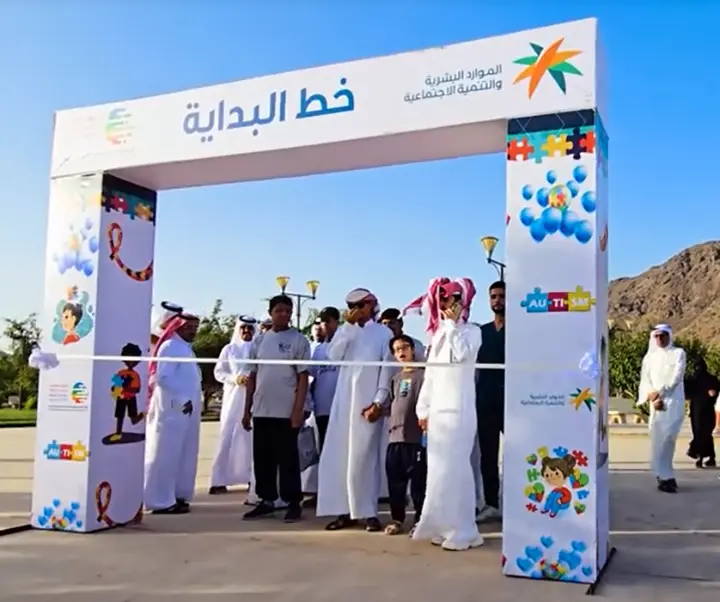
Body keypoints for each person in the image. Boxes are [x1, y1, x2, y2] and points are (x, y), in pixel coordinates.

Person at [406, 277, 484, 551]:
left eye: (451, 299)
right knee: (438, 470)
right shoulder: (437, 334)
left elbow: (462, 355)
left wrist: (451, 326)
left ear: (462, 302)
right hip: (438, 412)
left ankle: (464, 530)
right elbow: (431, 374)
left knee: (457, 468)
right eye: (443, 300)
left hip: (459, 411)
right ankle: (442, 525)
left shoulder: (473, 332)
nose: (446, 305)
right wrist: (423, 407)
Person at [317, 288, 394, 532]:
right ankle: (343, 511)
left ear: (372, 305)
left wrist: (379, 402)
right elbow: (333, 356)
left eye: (362, 305)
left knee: (365, 459)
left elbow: (387, 370)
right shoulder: (345, 331)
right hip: (343, 404)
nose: (358, 310)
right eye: (353, 306)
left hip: (367, 405)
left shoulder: (383, 333)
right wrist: (348, 328)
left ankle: (368, 512)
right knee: (340, 457)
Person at [242, 295, 310, 522]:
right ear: (270, 312)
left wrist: (298, 410)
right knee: (263, 458)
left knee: (288, 459)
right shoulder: (260, 341)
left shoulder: (299, 340)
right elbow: (252, 376)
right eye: (279, 310)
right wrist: (246, 409)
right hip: (262, 410)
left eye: (288, 311)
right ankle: (267, 500)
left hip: (286, 411)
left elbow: (303, 378)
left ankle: (293, 502)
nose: (284, 314)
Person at [365, 334, 426, 536]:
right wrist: (374, 411)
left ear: (413, 349)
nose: (401, 352)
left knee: (418, 484)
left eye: (405, 347)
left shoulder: (425, 376)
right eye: (397, 349)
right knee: (395, 484)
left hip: (416, 439)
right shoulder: (395, 379)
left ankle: (420, 520)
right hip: (395, 439)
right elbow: (392, 407)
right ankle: (397, 519)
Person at [144, 310, 202, 514]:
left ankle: (175, 495)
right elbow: (163, 378)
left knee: (182, 455)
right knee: (165, 455)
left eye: (195, 327)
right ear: (176, 326)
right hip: (171, 410)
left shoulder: (185, 348)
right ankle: (159, 501)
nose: (192, 331)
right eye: (188, 327)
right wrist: (182, 400)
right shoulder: (169, 346)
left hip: (186, 411)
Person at [209, 316, 257, 494]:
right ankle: (218, 480)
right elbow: (219, 372)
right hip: (232, 398)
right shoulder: (229, 349)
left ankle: (251, 478)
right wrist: (235, 379)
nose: (246, 331)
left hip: (253, 399)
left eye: (250, 328)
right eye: (243, 328)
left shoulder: (258, 349)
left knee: (250, 439)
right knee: (226, 436)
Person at [637, 324, 687, 493]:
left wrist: (660, 394)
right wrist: (652, 396)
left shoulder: (678, 353)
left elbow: (677, 377)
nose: (659, 338)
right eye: (656, 336)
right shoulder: (649, 358)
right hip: (656, 405)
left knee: (668, 439)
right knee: (658, 441)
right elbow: (645, 380)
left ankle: (666, 474)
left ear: (669, 336)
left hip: (673, 403)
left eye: (663, 335)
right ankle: (664, 476)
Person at [475, 281, 506, 522]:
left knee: (516, 454)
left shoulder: (520, 331)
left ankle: (517, 502)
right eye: (493, 296)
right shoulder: (481, 332)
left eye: (501, 296)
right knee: (488, 456)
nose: (497, 300)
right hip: (485, 400)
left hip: (512, 402)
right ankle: (491, 503)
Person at [309, 306, 341, 451]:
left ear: (336, 322)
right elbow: (312, 378)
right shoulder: (318, 349)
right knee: (323, 445)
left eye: (329, 321)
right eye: (322, 321)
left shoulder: (344, 345)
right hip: (321, 407)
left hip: (339, 405)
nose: (325, 325)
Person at [685, 356, 719, 468]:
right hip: (709, 410)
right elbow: (715, 393)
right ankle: (710, 457)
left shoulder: (693, 379)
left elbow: (687, 394)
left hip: (696, 411)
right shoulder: (712, 379)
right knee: (707, 434)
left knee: (699, 433)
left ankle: (699, 456)